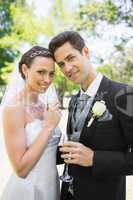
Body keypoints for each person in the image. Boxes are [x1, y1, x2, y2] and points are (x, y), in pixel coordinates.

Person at [49, 31, 133, 200]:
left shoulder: (125, 94)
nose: (67, 68)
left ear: (85, 52)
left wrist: (95, 158)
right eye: (61, 64)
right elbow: (77, 145)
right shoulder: (73, 101)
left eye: (71, 58)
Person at [1, 46, 62, 200]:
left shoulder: (44, 107)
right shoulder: (14, 109)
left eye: (51, 74)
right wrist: (48, 127)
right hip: (28, 190)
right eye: (41, 72)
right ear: (25, 69)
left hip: (50, 185)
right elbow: (21, 169)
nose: (47, 80)